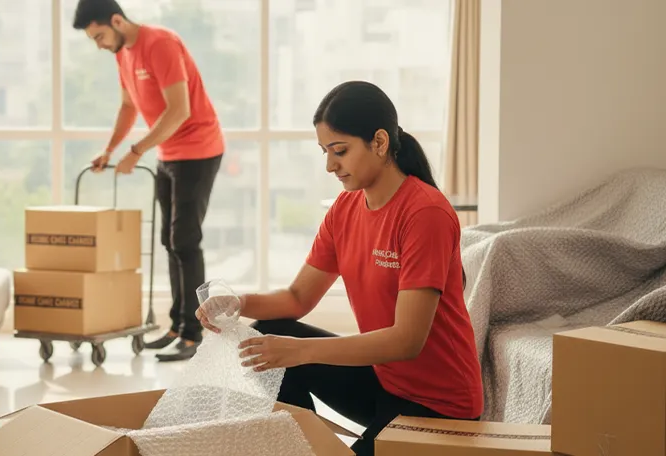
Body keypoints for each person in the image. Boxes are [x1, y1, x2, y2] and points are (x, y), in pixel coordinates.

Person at [196, 81, 483, 456]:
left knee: (288, 348)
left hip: (439, 407)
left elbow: (407, 340)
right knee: (268, 332)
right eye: (325, 152)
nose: (330, 165)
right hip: (384, 385)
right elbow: (297, 298)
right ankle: (303, 448)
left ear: (379, 142)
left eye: (340, 151)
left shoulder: (424, 213)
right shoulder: (345, 210)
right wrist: (238, 302)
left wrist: (299, 351)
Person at [73, 0, 224, 361]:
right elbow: (129, 107)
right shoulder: (122, 53)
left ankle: (194, 334)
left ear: (116, 21)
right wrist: (110, 150)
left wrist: (136, 151)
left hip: (198, 150)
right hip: (168, 154)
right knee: (169, 241)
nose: (99, 45)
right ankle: (177, 326)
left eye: (99, 36)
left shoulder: (160, 43)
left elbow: (180, 110)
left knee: (185, 241)